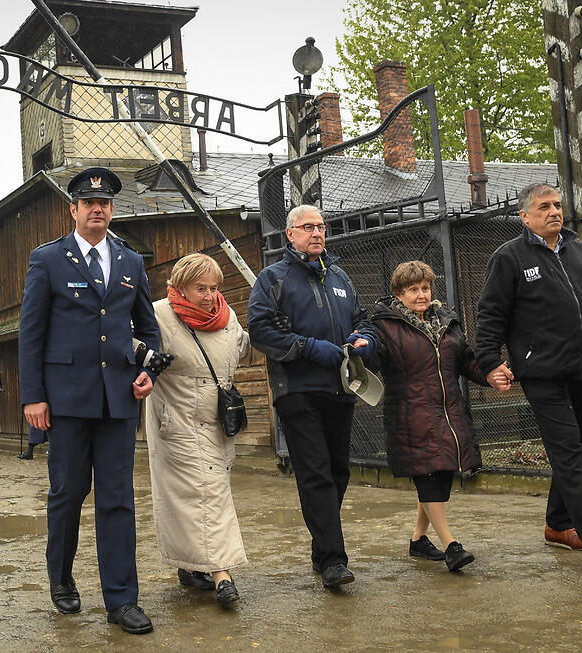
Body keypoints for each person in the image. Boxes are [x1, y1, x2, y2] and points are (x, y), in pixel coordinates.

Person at [18, 166, 163, 634]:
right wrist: (33, 397)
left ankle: (122, 600)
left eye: (104, 204)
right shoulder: (48, 260)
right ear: (74, 210)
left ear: (112, 211)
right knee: (68, 494)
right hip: (65, 400)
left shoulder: (130, 261)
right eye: (88, 203)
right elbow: (30, 334)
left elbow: (148, 328)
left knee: (117, 499)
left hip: (119, 400)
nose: (97, 209)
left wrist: (147, 371)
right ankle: (61, 578)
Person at [475, 182, 582, 565]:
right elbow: (491, 315)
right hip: (543, 372)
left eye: (557, 204)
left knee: (580, 450)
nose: (554, 211)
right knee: (567, 449)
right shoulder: (509, 257)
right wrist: (489, 362)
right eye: (544, 206)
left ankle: (556, 523)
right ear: (524, 216)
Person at [247, 204, 377, 588]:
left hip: (341, 387)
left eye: (322, 227)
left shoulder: (340, 276)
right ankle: (335, 561)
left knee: (339, 471)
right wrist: (307, 347)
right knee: (316, 472)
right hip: (297, 389)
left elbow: (363, 319)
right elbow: (260, 331)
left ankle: (322, 550)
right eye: (308, 227)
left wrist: (365, 339)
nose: (318, 233)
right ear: (291, 234)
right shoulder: (273, 277)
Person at [369, 261, 506, 572]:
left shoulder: (447, 322)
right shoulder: (385, 327)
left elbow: (468, 362)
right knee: (430, 478)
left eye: (426, 288)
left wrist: (492, 375)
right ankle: (451, 545)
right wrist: (359, 352)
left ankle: (418, 540)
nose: (422, 295)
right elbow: (371, 362)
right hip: (410, 417)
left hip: (448, 415)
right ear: (399, 294)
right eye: (414, 289)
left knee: (438, 477)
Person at [146, 253, 251, 605]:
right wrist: (146, 360)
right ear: (179, 287)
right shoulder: (158, 315)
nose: (209, 296)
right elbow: (130, 345)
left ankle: (191, 566)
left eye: (214, 287)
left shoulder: (226, 315)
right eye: (200, 288)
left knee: (198, 499)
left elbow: (243, 348)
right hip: (178, 422)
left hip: (219, 423)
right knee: (207, 495)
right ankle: (223, 575)